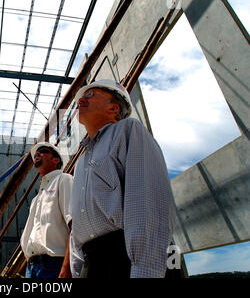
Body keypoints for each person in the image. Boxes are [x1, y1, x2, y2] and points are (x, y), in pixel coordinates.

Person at [59, 79, 177, 278]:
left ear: (113, 108)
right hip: (95, 261)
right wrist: (76, 269)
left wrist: (145, 271)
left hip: (127, 257)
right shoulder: (81, 162)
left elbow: (147, 203)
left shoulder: (128, 130)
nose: (81, 100)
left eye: (90, 95)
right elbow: (78, 224)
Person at [20, 142, 73, 278]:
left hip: (55, 265)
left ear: (56, 160)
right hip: (32, 268)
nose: (37, 154)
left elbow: (75, 225)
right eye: (35, 154)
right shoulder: (37, 198)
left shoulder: (64, 180)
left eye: (43, 151)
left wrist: (66, 267)